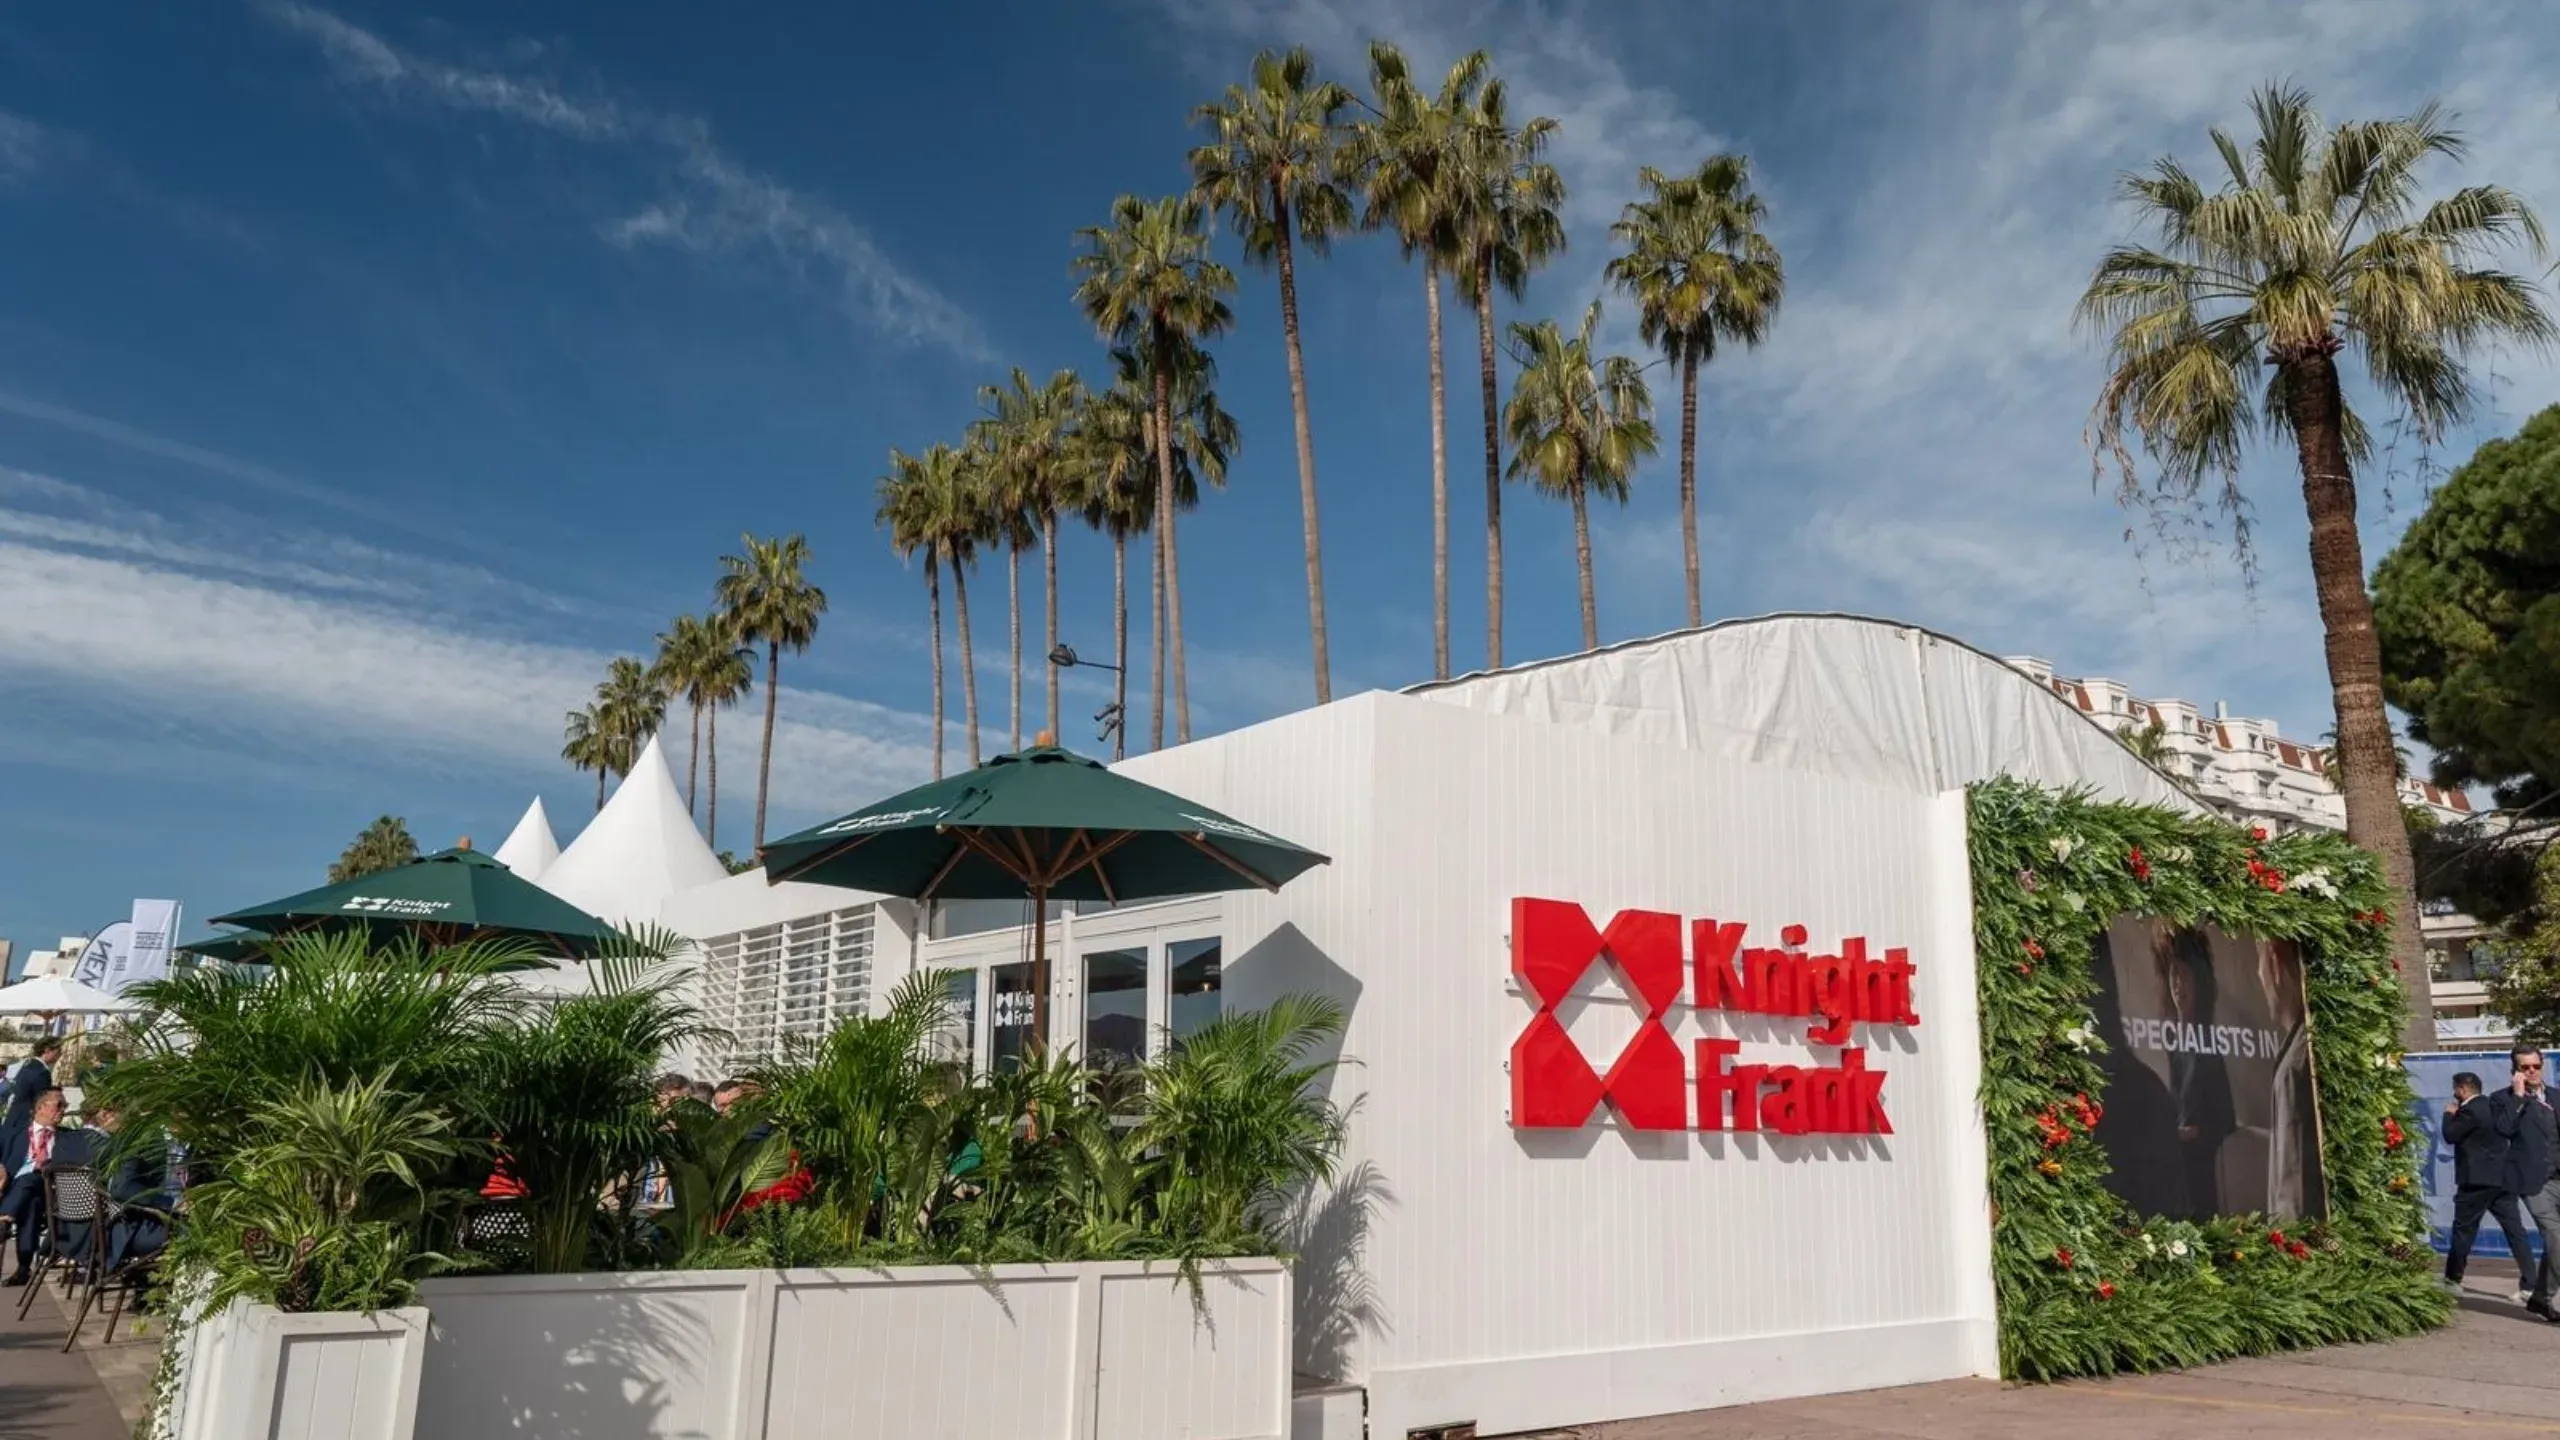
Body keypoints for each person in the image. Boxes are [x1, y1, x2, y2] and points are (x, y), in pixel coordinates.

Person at [2153, 926, 2235, 1218]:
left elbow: (2226, 1120)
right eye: (2174, 975)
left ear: (2199, 982)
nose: (2179, 985)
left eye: (2185, 975)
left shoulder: (2209, 1046)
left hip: (2200, 1172)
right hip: (2173, 1168)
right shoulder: (2174, 1046)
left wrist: (2190, 1134)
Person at [2445, 1071, 2535, 1292]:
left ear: (2462, 1089)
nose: (2454, 1093)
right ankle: (2530, 1285)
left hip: (2475, 1182)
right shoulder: (2496, 1107)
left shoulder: (2468, 1111)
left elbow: (2450, 1135)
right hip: (2503, 1179)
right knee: (2515, 1231)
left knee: (2463, 1230)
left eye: (2455, 1089)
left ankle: (2452, 1280)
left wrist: (2449, 1115)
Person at [2489, 1045, 2560, 1319]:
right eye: (2524, 1067)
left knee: (2556, 1244)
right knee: (2556, 1239)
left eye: (2535, 1066)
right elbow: (2503, 1129)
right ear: (2515, 1071)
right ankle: (2546, 1296)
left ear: (2543, 1066)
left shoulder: (2555, 1097)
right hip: (2534, 1182)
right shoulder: (2502, 1099)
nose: (2531, 1071)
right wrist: (2518, 1098)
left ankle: (2540, 1297)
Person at [2257, 938, 2325, 1218]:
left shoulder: (2295, 1065)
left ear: (2273, 965)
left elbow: (2291, 1184)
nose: (2259, 978)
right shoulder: (2306, 1046)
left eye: (2258, 965)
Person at [0, 1088, 65, 1283]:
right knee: (31, 1203)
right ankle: (23, 1268)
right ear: (40, 1108)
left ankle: (4, 1220)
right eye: (58, 1106)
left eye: (65, 1107)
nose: (63, 1111)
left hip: (53, 1190)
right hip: (18, 1192)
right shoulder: (14, 1135)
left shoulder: (68, 1138)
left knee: (30, 1178)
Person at [3, 1040, 60, 1138]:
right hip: (26, 1122)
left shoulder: (27, 1065)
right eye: (58, 1051)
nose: (59, 1055)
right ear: (47, 1050)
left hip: (13, 1118)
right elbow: (41, 1101)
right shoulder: (41, 1072)